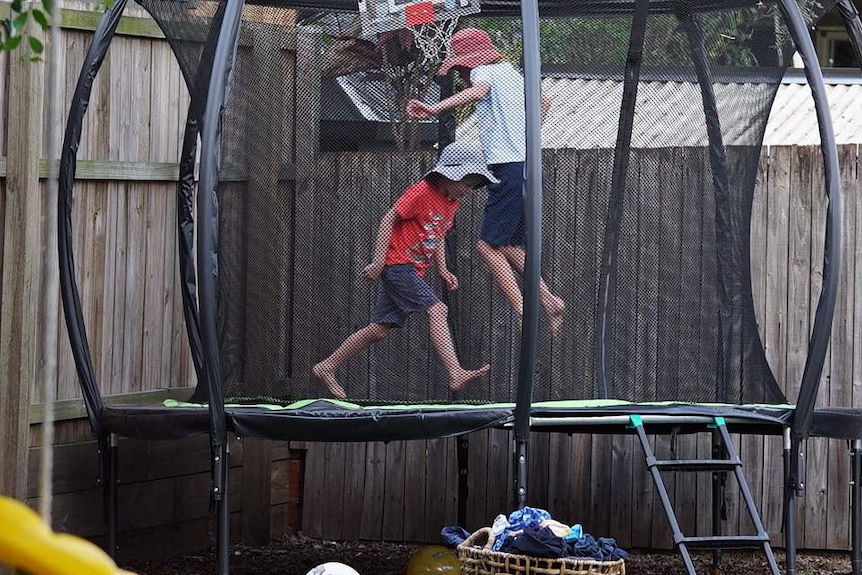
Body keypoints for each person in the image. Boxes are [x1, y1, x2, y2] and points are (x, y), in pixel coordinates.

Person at [406, 27, 566, 337]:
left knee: (486, 247)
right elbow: (544, 103)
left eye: (459, 70)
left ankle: (523, 309)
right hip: (531, 167)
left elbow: (478, 92)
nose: (463, 76)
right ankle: (550, 301)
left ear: (466, 64)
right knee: (508, 245)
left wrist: (433, 108)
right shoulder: (511, 74)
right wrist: (526, 139)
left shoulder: (483, 71)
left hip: (508, 169)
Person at [313, 141, 497, 399]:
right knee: (438, 309)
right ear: (448, 175)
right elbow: (389, 219)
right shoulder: (421, 192)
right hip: (398, 266)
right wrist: (378, 262)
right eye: (466, 183)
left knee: (379, 329)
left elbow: (439, 234)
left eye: (473, 186)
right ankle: (455, 372)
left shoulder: (452, 203)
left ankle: (327, 366)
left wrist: (443, 269)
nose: (468, 190)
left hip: (412, 270)